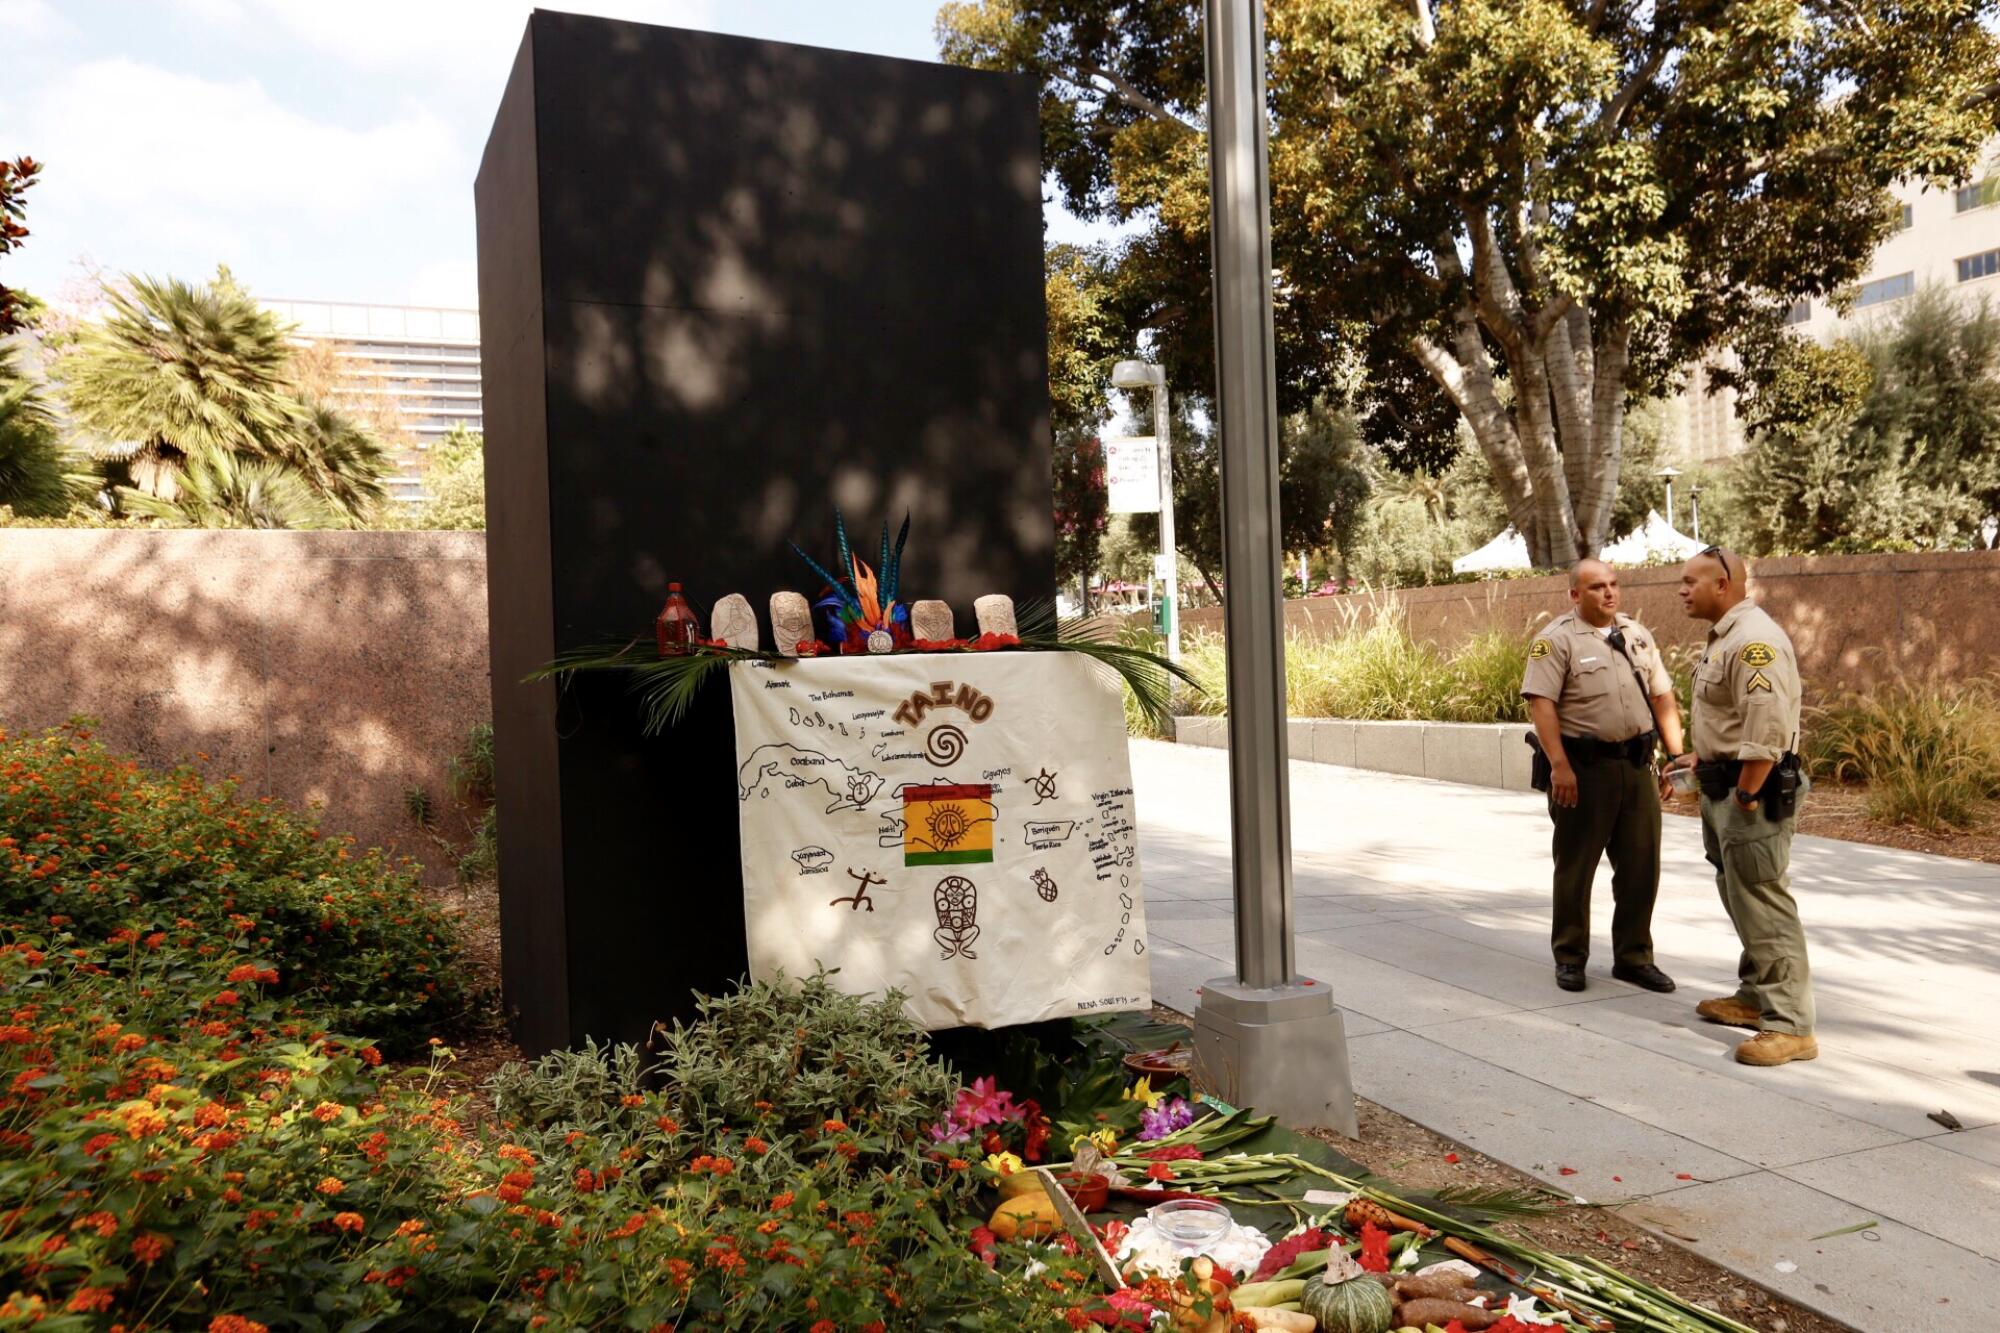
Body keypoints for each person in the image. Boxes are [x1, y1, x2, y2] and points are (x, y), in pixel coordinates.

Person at [1662, 546, 1817, 1067]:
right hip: (1723, 786)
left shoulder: (1753, 642)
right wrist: (1699, 757)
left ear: (1723, 583)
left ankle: (1791, 1026)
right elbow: (1732, 717)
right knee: (1743, 896)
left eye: (1690, 582)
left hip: (1750, 794)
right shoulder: (1727, 637)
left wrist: (1748, 792)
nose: (1682, 591)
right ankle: (1755, 998)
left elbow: (1767, 723)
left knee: (1764, 902)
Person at [1521, 559, 1685, 994]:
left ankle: (1634, 957)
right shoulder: (1555, 641)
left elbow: (1663, 695)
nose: (1609, 593)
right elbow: (1542, 704)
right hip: (1584, 770)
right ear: (1575, 594)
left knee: (1640, 867)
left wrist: (1677, 755)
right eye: (1596, 587)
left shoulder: (1636, 634)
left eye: (1614, 585)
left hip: (1637, 766)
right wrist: (1559, 765)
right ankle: (1571, 957)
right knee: (1576, 868)